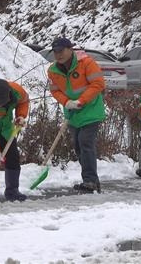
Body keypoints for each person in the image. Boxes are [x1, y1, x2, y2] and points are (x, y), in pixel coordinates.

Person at [47, 38, 106, 193]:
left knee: (85, 142)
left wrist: (81, 100)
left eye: (61, 51)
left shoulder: (86, 63)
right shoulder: (53, 70)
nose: (58, 55)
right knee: (78, 146)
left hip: (91, 110)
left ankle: (90, 181)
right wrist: (66, 102)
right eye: (55, 52)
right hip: (73, 113)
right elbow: (55, 90)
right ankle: (92, 181)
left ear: (70, 49)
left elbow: (98, 83)